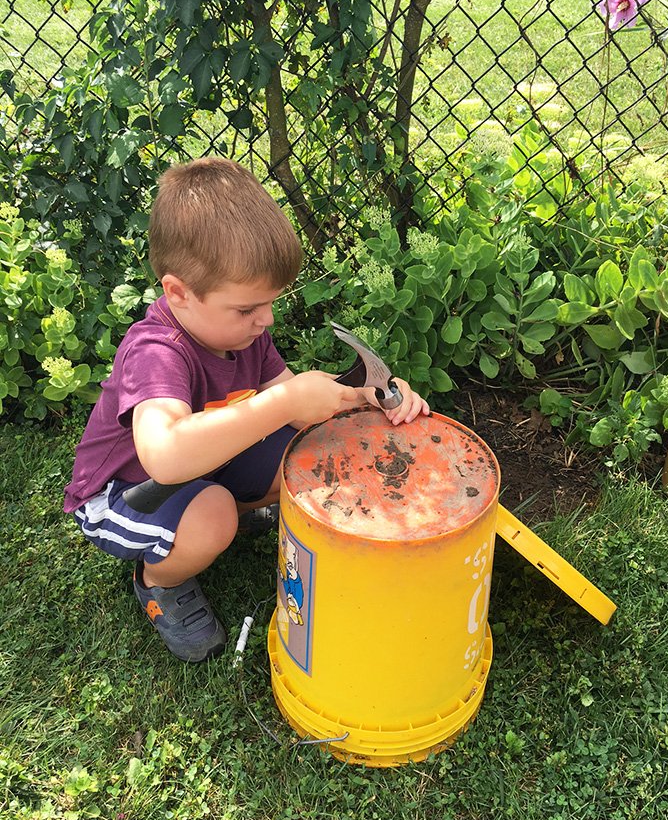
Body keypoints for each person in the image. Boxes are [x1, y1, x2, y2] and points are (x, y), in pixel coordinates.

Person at [64, 158, 429, 663]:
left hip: (207, 465)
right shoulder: (155, 352)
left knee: (303, 456)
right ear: (179, 293)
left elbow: (299, 415)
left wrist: (363, 396)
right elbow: (165, 457)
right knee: (212, 519)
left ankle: (233, 507)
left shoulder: (243, 334)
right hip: (128, 493)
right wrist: (280, 402)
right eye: (247, 309)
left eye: (270, 303)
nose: (267, 319)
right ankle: (158, 582)